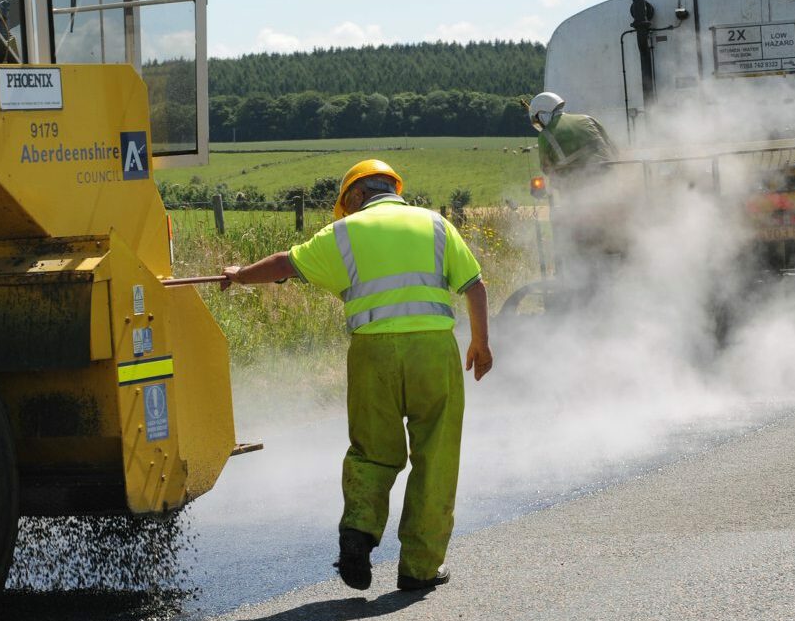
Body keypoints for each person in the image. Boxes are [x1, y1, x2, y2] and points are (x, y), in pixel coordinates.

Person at [221, 159, 492, 592]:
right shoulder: (437, 224)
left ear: (356, 196)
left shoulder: (344, 233)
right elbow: (474, 285)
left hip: (373, 354)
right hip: (434, 352)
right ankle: (419, 569)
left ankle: (358, 535)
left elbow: (283, 265)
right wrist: (480, 343)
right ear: (392, 188)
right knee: (436, 458)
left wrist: (239, 277)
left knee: (372, 451)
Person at [528, 91, 617, 181]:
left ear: (541, 114)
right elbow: (612, 147)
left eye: (538, 120)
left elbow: (546, 169)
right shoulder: (588, 119)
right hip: (608, 176)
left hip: (575, 184)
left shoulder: (545, 134)